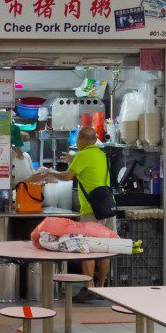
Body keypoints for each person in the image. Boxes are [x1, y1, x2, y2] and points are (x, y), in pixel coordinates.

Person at [47, 127, 114, 302]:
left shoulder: (83, 155)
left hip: (91, 210)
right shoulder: (101, 154)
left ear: (80, 140)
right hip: (107, 206)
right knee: (106, 248)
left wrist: (49, 172)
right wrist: (73, 158)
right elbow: (89, 168)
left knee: (88, 249)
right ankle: (102, 287)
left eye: (77, 140)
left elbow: (68, 176)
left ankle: (89, 288)